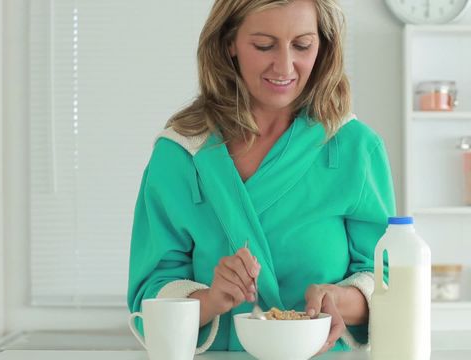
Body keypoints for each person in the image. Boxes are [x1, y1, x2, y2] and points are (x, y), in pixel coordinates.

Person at [127, 0, 395, 354]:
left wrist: (340, 298)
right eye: (264, 45)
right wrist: (210, 298)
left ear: (323, 46)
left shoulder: (355, 148)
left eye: (302, 45)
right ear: (229, 43)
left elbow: (390, 284)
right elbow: (150, 294)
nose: (285, 65)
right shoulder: (182, 152)